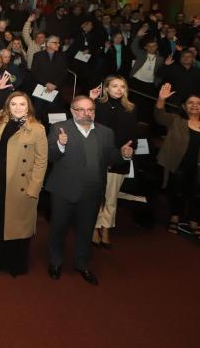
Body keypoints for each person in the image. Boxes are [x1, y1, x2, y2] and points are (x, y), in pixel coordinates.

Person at [46, 96, 134, 286]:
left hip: (92, 191)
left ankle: (82, 263)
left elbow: (110, 156)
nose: (86, 114)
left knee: (86, 231)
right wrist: (60, 144)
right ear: (72, 110)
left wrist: (122, 155)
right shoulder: (59, 128)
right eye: (81, 110)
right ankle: (55, 262)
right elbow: (50, 157)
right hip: (64, 190)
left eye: (90, 110)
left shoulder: (106, 132)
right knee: (58, 229)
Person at [0, 88, 48, 277]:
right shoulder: (0, 120)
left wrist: (34, 188)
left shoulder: (37, 129)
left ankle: (14, 263)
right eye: (13, 104)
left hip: (21, 185)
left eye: (22, 104)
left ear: (28, 107)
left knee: (17, 227)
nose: (17, 108)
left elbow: (41, 161)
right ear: (8, 106)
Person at [155, 84, 200, 238]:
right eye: (190, 103)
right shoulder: (176, 121)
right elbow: (159, 116)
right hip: (179, 164)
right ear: (184, 106)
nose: (195, 106)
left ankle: (194, 221)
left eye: (198, 103)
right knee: (177, 192)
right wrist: (161, 99)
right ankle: (175, 216)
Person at [88, 76, 139, 248]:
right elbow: (84, 127)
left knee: (111, 198)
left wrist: (130, 150)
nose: (119, 89)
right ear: (106, 88)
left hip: (120, 157)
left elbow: (133, 135)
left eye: (122, 86)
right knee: (96, 196)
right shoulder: (97, 106)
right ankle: (94, 227)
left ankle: (106, 228)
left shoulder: (131, 108)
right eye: (114, 86)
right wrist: (90, 101)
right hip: (98, 158)